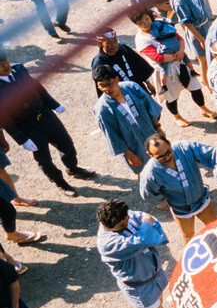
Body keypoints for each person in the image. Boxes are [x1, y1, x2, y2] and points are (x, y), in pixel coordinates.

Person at [95, 199, 191, 308]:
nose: (126, 225)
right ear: (105, 225)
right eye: (121, 227)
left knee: (159, 305)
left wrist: (145, 227)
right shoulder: (108, 243)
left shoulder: (124, 216)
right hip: (139, 286)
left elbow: (144, 218)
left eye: (126, 221)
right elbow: (140, 239)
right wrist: (146, 226)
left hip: (153, 273)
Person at [0, 50, 96, 196]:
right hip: (28, 127)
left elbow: (37, 87)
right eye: (0, 65)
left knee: (66, 143)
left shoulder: (19, 69)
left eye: (5, 60)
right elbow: (4, 119)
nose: (5, 65)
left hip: (45, 115)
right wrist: (22, 139)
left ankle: (72, 167)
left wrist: (54, 104)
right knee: (43, 158)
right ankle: (60, 182)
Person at [131, 8, 215, 128]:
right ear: (136, 25)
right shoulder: (141, 39)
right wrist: (176, 56)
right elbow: (157, 57)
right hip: (165, 70)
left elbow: (178, 38)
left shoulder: (160, 24)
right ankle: (176, 116)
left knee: (195, 87)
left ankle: (203, 108)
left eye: (147, 18)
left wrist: (181, 50)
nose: (146, 23)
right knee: (171, 97)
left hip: (180, 62)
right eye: (141, 22)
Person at [139, 134, 217, 243]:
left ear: (169, 142)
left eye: (168, 152)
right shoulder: (150, 173)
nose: (167, 157)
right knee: (189, 235)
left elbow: (210, 152)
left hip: (202, 199)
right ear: (150, 155)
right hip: (180, 208)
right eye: (160, 157)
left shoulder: (184, 147)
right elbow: (148, 194)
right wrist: (162, 200)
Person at [93, 65, 164, 174]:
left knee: (162, 163)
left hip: (151, 136)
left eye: (109, 84)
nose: (107, 89)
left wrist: (158, 128)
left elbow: (149, 107)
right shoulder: (102, 109)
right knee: (144, 173)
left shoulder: (132, 87)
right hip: (133, 148)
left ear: (117, 79)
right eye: (102, 86)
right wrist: (129, 155)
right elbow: (112, 135)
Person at [92, 29, 155, 94]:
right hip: (123, 96)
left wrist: (148, 83)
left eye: (115, 40)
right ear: (100, 43)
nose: (114, 44)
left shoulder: (123, 48)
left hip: (139, 88)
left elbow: (139, 65)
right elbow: (103, 87)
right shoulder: (99, 62)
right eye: (109, 42)